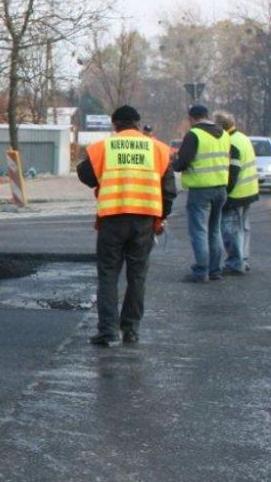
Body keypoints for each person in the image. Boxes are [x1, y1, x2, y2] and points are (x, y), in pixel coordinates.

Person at [76, 105, 177, 345]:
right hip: (144, 220)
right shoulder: (158, 149)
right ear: (138, 124)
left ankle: (108, 331)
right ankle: (131, 330)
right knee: (137, 276)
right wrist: (161, 217)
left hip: (112, 218)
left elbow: (85, 174)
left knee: (108, 275)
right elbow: (169, 191)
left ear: (115, 124)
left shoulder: (104, 147)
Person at [171, 104, 231, 282]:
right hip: (221, 188)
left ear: (192, 118)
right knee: (214, 230)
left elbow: (182, 163)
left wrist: (174, 162)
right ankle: (215, 270)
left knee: (199, 231)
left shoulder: (194, 134)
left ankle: (201, 271)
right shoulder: (224, 135)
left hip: (201, 189)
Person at [214, 110, 259, 275]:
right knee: (244, 227)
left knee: (231, 230)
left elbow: (233, 172)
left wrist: (225, 193)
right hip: (249, 190)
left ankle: (235, 263)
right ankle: (243, 259)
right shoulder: (243, 138)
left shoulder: (230, 142)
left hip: (236, 193)